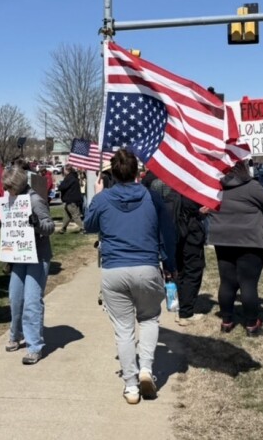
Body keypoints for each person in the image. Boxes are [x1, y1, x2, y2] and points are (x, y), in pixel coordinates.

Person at [84, 149, 176, 404]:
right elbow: (167, 232)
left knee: (124, 330)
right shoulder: (152, 197)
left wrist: (97, 194)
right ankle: (146, 369)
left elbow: (88, 225)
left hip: (114, 270)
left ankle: (131, 385)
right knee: (148, 319)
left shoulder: (103, 200)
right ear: (137, 171)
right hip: (146, 267)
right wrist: (170, 264)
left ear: (112, 173)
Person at [207, 161, 263, 337]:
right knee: (248, 283)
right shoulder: (251, 186)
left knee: (227, 281)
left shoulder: (215, 187)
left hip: (223, 239)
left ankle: (226, 321)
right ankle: (252, 324)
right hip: (249, 240)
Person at [3, 164, 54, 365]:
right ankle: (16, 334)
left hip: (38, 256)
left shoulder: (35, 200)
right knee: (15, 298)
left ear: (18, 184)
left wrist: (36, 223)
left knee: (32, 300)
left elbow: (49, 227)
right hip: (18, 256)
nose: (7, 191)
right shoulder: (11, 200)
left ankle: (34, 346)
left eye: (9, 187)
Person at [148, 176, 207, 327]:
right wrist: (201, 213)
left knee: (179, 272)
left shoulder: (170, 195)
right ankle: (185, 314)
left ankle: (180, 308)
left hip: (175, 237)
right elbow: (194, 212)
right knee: (192, 272)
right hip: (191, 237)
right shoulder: (191, 193)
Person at [57, 164, 84, 233]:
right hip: (73, 199)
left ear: (67, 170)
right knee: (67, 215)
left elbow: (62, 187)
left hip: (71, 199)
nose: (63, 171)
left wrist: (59, 186)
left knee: (75, 215)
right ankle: (63, 229)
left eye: (64, 170)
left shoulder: (69, 178)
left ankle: (83, 228)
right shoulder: (73, 176)